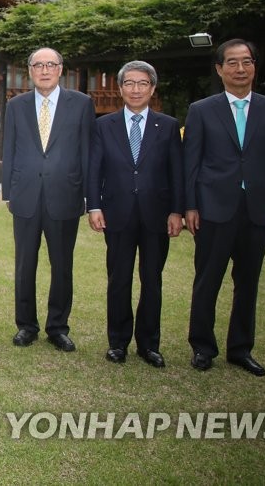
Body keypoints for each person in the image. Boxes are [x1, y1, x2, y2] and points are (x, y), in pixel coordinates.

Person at [184, 39, 265, 376]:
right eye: (232, 62)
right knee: (207, 281)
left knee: (248, 283)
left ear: (254, 66)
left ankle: (240, 349)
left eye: (247, 62)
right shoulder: (202, 110)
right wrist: (190, 205)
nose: (240, 69)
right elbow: (192, 163)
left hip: (256, 209)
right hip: (213, 209)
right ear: (220, 69)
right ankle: (203, 347)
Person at [87, 61, 183, 367]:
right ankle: (118, 342)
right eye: (129, 83)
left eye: (143, 83)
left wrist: (177, 211)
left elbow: (177, 173)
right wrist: (94, 205)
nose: (136, 89)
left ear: (152, 88)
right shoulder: (104, 125)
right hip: (117, 213)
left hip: (157, 214)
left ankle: (149, 344)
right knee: (119, 280)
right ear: (120, 88)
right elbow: (94, 169)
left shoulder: (167, 126)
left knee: (152, 280)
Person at [2, 47, 95, 352]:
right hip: (26, 196)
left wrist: (87, 196)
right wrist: (9, 193)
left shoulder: (81, 104)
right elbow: (10, 149)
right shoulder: (16, 105)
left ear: (60, 69)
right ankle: (26, 325)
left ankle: (58, 326)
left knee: (62, 265)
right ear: (29, 70)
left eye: (50, 64)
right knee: (24, 264)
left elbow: (86, 152)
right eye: (38, 65)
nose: (44, 70)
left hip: (64, 195)